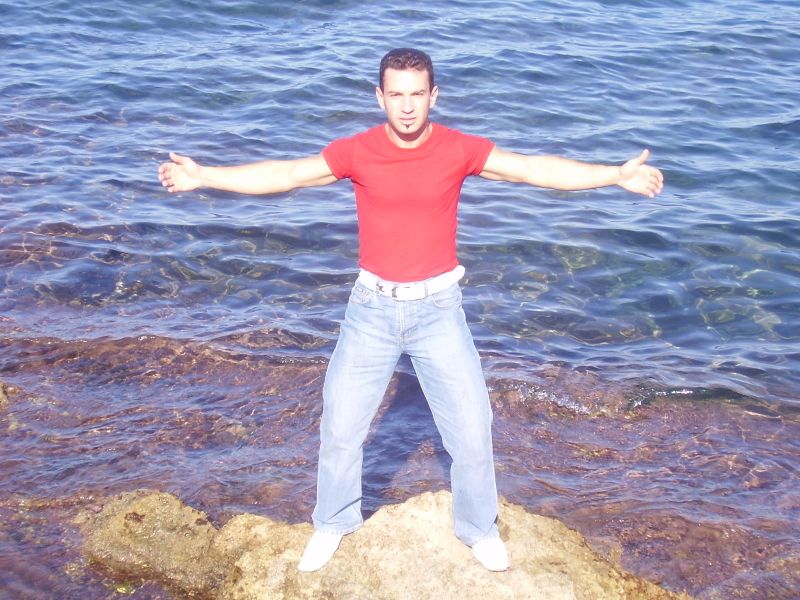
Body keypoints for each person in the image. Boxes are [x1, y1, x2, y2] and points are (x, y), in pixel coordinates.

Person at [158, 47, 663, 573]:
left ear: (433, 96)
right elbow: (286, 174)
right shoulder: (358, 151)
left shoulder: (457, 148)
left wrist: (614, 175)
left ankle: (478, 528)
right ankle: (333, 522)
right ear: (379, 97)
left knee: (472, 428)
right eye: (395, 94)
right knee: (341, 426)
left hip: (439, 310)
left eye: (416, 94)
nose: (405, 106)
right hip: (371, 310)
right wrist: (205, 176)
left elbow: (532, 169)